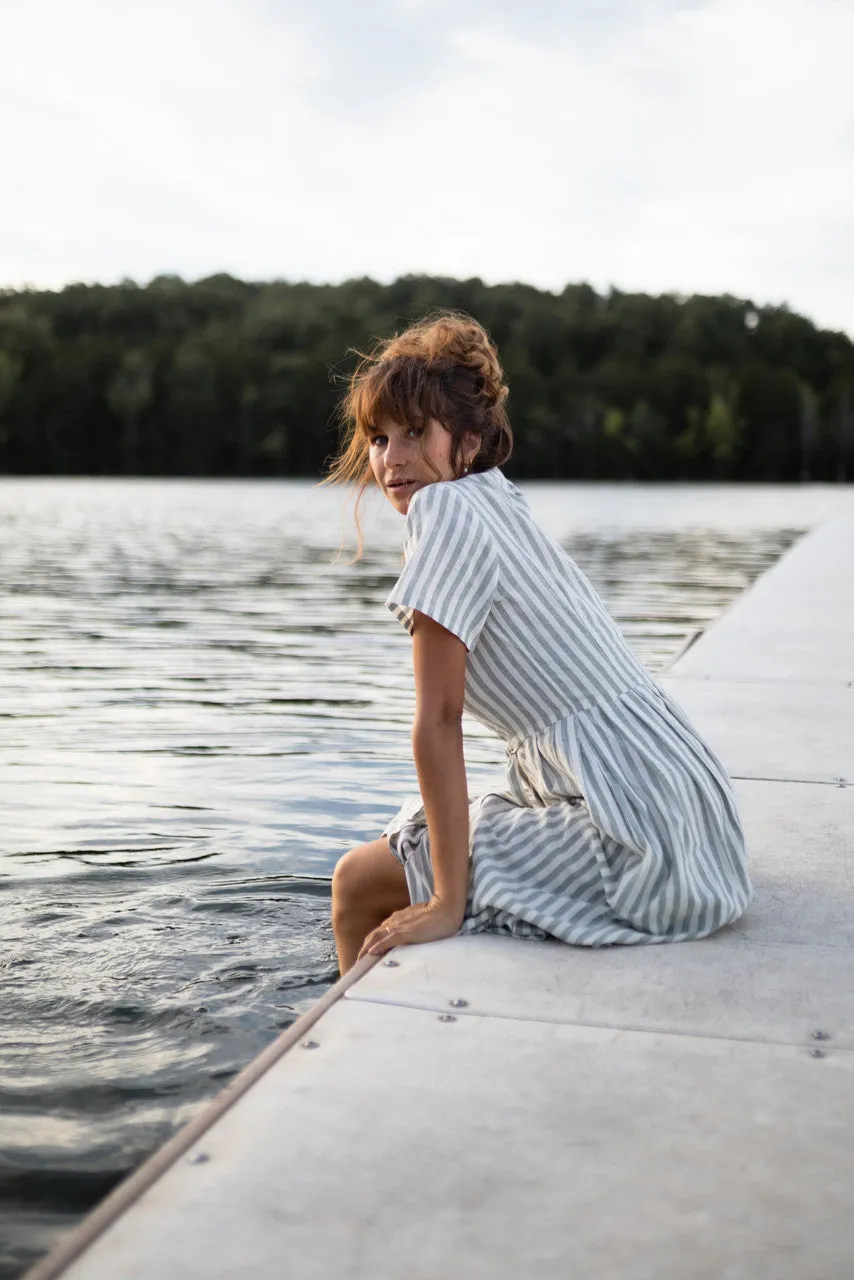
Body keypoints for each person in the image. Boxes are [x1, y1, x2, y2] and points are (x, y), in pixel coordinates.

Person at [326, 312, 752, 975]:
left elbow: (437, 723)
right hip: (690, 813)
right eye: (379, 438)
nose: (392, 458)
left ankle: (338, 1047)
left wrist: (446, 900)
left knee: (357, 880)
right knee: (412, 831)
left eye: (415, 432)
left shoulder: (444, 513)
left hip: (636, 846)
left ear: (468, 441)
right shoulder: (494, 496)